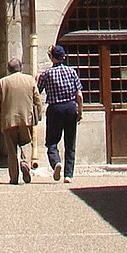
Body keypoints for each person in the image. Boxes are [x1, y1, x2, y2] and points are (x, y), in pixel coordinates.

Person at [36, 44, 84, 182]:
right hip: (70, 107)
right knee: (70, 143)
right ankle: (68, 175)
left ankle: (56, 162)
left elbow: (37, 91)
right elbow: (79, 95)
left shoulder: (47, 74)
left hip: (55, 108)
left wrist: (36, 80)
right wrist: (80, 111)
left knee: (51, 141)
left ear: (52, 58)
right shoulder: (71, 71)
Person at [0, 56, 41, 184]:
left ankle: (14, 177)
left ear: (8, 69)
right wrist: (38, 115)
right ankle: (25, 163)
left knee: (11, 151)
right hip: (26, 118)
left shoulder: (2, 83)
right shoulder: (30, 80)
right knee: (25, 143)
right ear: (21, 68)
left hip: (8, 121)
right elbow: (37, 100)